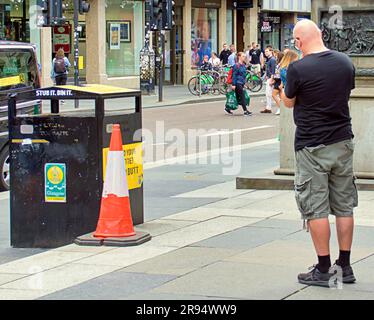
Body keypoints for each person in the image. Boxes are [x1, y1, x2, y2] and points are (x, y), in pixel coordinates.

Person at [280, 19, 357, 288]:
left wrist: (282, 92)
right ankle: (345, 266)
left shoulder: (299, 68)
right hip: (343, 141)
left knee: (316, 208)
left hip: (312, 145)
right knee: (344, 205)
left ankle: (324, 269)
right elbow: (343, 94)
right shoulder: (345, 62)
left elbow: (289, 103)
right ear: (321, 35)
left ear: (298, 42)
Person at [226, 52, 252, 116]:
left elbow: (244, 75)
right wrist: (233, 84)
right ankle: (245, 111)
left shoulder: (243, 65)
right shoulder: (236, 65)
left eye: (245, 56)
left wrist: (244, 83)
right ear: (239, 57)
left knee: (237, 97)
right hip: (237, 83)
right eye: (243, 56)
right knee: (242, 96)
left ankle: (227, 108)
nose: (244, 57)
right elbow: (234, 75)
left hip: (241, 83)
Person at [261, 47, 277, 114]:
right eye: (265, 51)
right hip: (269, 77)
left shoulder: (272, 59)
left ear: (271, 51)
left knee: (270, 93)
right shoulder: (269, 59)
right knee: (268, 94)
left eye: (267, 51)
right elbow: (268, 69)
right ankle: (268, 107)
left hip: (271, 78)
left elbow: (273, 70)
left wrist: (272, 79)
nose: (265, 53)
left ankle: (269, 107)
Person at [271, 51, 284, 116]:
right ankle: (281, 108)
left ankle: (281, 108)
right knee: (281, 96)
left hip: (279, 80)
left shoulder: (282, 64)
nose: (275, 57)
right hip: (277, 80)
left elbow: (282, 74)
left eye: (276, 56)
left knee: (274, 94)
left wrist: (282, 83)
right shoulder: (279, 63)